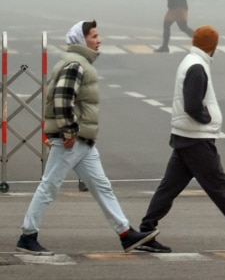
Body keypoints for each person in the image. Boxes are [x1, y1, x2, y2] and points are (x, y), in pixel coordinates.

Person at [17, 20, 159, 255]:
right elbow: (62, 98)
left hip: (83, 141)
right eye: (94, 36)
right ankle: (28, 235)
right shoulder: (75, 64)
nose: (99, 39)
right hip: (72, 139)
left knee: (102, 187)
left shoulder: (79, 63)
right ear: (82, 41)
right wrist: (69, 131)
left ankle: (125, 233)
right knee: (49, 185)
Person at [134, 25, 225, 253]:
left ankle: (145, 231)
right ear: (212, 47)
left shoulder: (191, 61)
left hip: (186, 136)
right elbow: (193, 105)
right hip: (196, 138)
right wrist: (207, 117)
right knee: (220, 187)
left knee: (168, 188)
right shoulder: (197, 67)